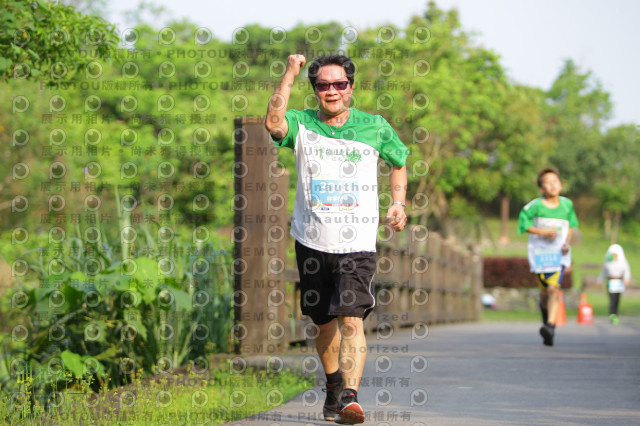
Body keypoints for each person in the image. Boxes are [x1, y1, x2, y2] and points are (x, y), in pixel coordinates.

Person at [265, 54, 409, 424]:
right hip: (311, 241)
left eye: (339, 83)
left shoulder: (374, 126)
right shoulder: (302, 123)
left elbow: (399, 161)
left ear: (351, 86)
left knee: (350, 318)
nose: (332, 91)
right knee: (322, 322)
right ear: (315, 90)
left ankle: (350, 397)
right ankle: (332, 385)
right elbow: (273, 122)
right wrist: (291, 72)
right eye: (323, 85)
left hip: (357, 243)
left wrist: (397, 202)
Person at [518, 167, 578, 346]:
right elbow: (523, 223)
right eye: (548, 183)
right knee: (544, 293)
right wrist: (542, 232)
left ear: (560, 184)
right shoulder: (535, 205)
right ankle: (546, 323)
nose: (552, 185)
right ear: (541, 188)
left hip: (558, 256)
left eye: (555, 181)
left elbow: (571, 226)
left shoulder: (567, 205)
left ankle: (551, 326)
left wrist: (567, 244)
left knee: (553, 289)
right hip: (540, 255)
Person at [597, 244, 631, 324]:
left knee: (617, 299)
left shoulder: (622, 261)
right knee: (612, 299)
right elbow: (603, 271)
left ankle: (616, 314)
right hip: (611, 281)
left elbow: (626, 270)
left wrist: (626, 279)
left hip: (619, 281)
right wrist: (600, 280)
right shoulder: (607, 261)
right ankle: (612, 315)